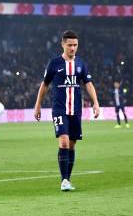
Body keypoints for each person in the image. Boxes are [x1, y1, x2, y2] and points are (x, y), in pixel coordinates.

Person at [33, 30, 100, 191]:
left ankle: (67, 179)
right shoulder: (54, 63)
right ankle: (63, 180)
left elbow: (88, 84)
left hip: (76, 109)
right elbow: (45, 84)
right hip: (59, 109)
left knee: (71, 145)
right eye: (69, 45)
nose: (72, 48)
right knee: (63, 142)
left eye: (75, 45)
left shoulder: (81, 64)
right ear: (63, 44)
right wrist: (38, 105)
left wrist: (96, 103)